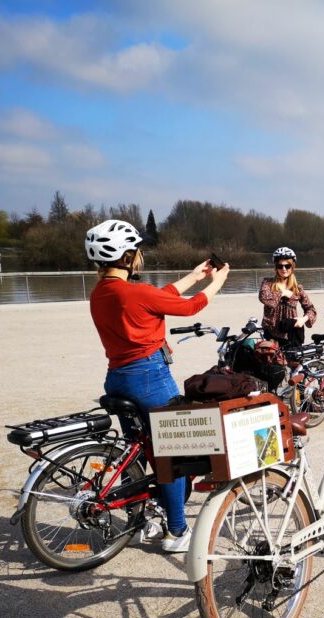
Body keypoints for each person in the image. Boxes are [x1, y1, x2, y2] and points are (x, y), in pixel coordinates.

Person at [86, 219, 229, 552]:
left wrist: (194, 276)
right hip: (149, 377)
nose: (141, 255)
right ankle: (177, 532)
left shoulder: (101, 293)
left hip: (117, 377)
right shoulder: (134, 292)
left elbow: (158, 298)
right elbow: (189, 307)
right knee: (174, 451)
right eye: (137, 250)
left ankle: (139, 521)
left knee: (134, 452)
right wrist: (217, 282)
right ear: (126, 256)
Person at [259, 247, 317, 348]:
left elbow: (311, 309)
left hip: (292, 335)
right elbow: (263, 297)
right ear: (276, 267)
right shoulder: (268, 283)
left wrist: (303, 319)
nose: (284, 269)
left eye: (287, 266)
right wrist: (283, 293)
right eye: (280, 266)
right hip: (272, 335)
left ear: (292, 267)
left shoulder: (297, 289)